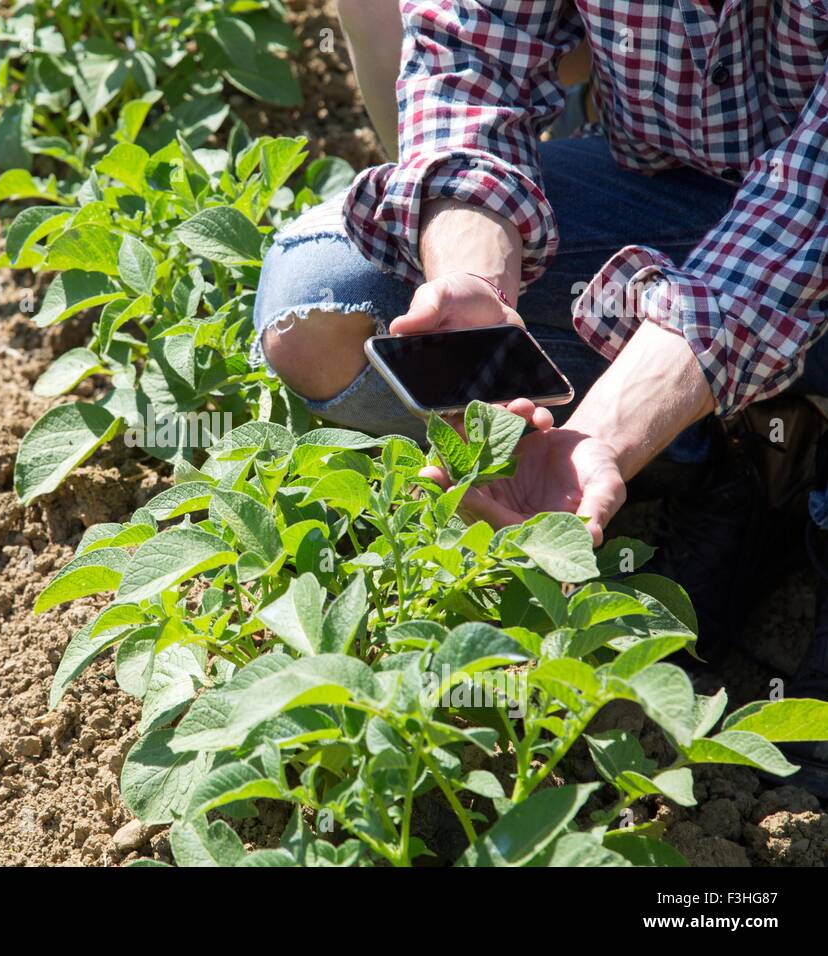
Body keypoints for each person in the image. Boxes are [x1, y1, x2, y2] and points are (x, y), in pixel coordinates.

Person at [258, 1, 828, 793]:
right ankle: (739, 458)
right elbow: (474, 53)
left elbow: (810, 218)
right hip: (678, 195)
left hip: (809, 221)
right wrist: (472, 281)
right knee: (322, 300)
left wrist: (620, 413)